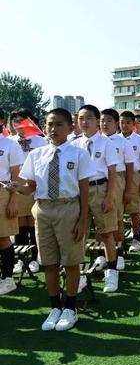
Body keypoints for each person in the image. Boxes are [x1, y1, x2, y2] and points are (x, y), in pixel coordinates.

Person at [11, 108, 95, 331]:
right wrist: (17, 188)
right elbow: (30, 187)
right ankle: (54, 307)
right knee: (48, 261)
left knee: (71, 260)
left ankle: (70, 307)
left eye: (59, 124)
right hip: (43, 209)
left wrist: (83, 220)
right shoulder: (36, 154)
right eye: (49, 124)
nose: (53, 129)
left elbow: (84, 189)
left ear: (70, 128)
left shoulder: (78, 154)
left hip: (69, 207)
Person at [72, 105, 120, 292]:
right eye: (81, 118)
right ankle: (80, 274)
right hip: (79, 192)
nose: (84, 122)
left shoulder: (106, 143)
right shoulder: (74, 144)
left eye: (89, 118)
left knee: (107, 233)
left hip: (100, 188)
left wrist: (109, 197)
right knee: (80, 233)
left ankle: (112, 273)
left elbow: (113, 172)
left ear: (96, 120)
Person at [9, 109, 48, 275]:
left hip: (35, 184)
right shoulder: (10, 142)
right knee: (19, 225)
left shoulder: (41, 141)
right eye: (15, 122)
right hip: (16, 184)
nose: (19, 125)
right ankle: (20, 259)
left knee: (34, 223)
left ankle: (34, 258)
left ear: (30, 122)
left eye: (22, 121)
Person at [100, 108, 135, 271]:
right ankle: (102, 254)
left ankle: (119, 252)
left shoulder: (123, 143)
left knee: (118, 218)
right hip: (98, 181)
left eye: (108, 120)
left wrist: (128, 190)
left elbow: (129, 168)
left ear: (116, 124)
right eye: (102, 120)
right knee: (100, 219)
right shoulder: (97, 141)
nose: (104, 124)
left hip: (118, 178)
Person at [119, 111, 140, 251]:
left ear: (133, 125)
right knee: (118, 209)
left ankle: (136, 237)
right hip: (118, 175)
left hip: (134, 175)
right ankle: (120, 241)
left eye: (128, 123)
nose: (124, 125)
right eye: (122, 122)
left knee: (134, 209)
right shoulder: (114, 140)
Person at [0, 122, 25, 295]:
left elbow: (16, 176)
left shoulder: (10, 144)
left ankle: (8, 279)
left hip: (4, 191)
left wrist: (13, 200)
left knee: (2, 238)